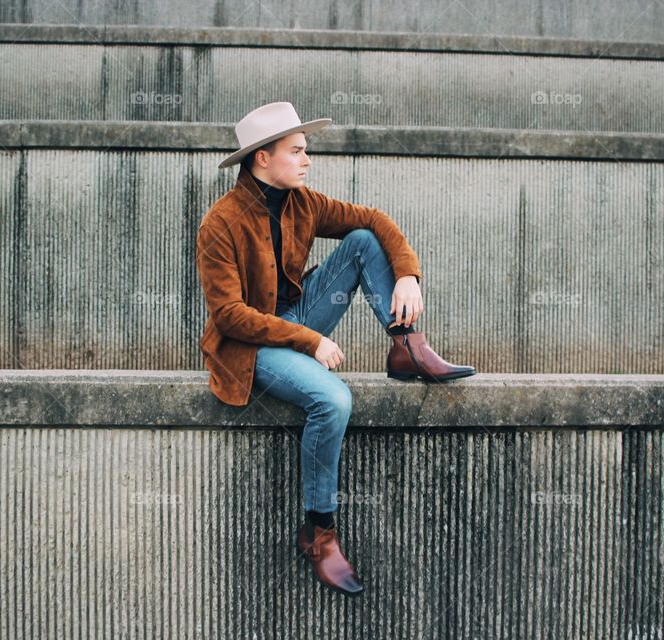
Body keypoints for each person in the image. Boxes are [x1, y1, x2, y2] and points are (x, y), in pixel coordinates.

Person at [196, 101, 476, 596]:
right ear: (262, 158)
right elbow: (230, 317)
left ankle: (407, 346)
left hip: (299, 319)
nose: (308, 160)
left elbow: (374, 218)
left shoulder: (302, 202)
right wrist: (310, 339)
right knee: (333, 399)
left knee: (365, 239)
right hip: (250, 347)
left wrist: (408, 274)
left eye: (307, 151)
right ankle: (319, 531)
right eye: (297, 151)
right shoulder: (221, 223)